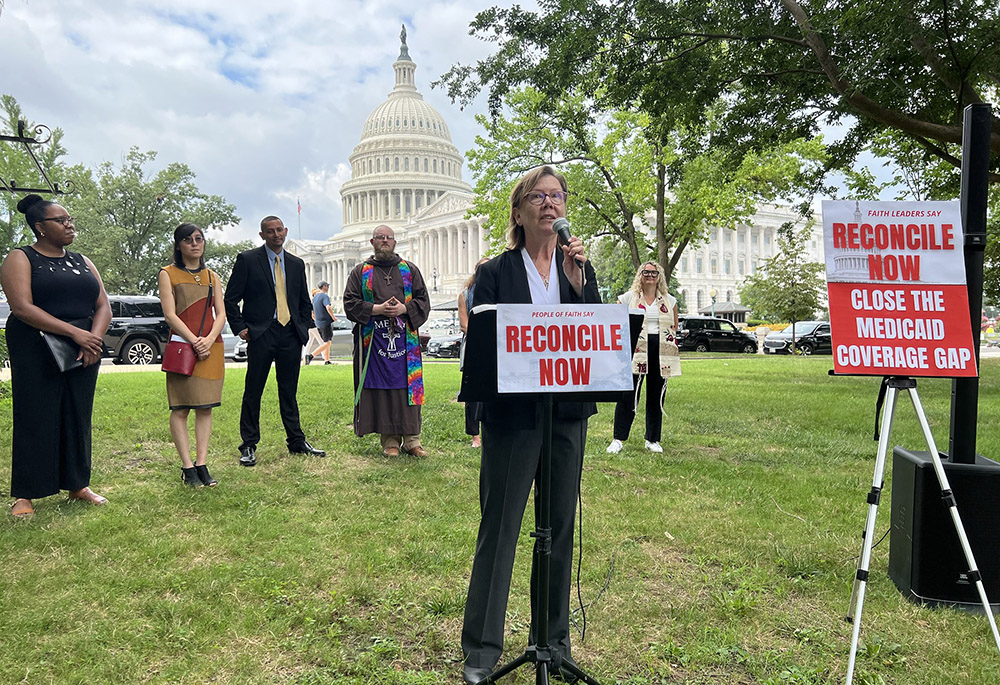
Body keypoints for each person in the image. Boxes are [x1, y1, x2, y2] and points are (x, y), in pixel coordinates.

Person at [460, 166, 598, 685]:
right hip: (514, 419)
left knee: (559, 527)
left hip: (566, 415)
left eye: (556, 196)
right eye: (537, 197)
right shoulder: (496, 272)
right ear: (518, 212)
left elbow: (595, 336)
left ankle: (554, 640)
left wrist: (581, 284)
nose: (548, 204)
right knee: (501, 527)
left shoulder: (577, 269)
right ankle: (481, 649)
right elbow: (486, 345)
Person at [1, 195, 112, 517]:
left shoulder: (82, 260)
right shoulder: (21, 258)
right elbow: (22, 307)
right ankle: (25, 494)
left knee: (78, 415)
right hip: (36, 344)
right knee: (36, 414)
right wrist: (75, 333)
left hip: (83, 347)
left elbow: (102, 303)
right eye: (60, 220)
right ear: (40, 227)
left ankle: (78, 485)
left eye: (69, 219)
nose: (69, 225)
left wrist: (93, 339)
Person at [224, 215, 325, 467]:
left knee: (288, 390)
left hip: (290, 333)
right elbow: (230, 299)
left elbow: (303, 299)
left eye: (279, 230)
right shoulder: (247, 260)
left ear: (286, 231)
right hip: (262, 333)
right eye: (270, 231)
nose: (276, 235)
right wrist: (241, 328)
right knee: (253, 390)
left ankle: (296, 441)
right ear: (262, 235)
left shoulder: (296, 263)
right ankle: (248, 444)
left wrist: (302, 326)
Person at [343, 225, 431, 458]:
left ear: (395, 242)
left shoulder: (409, 270)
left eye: (388, 238)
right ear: (372, 242)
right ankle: (389, 440)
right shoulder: (361, 272)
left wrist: (404, 308)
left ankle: (412, 440)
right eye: (380, 238)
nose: (384, 241)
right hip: (373, 344)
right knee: (382, 389)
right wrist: (376, 309)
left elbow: (423, 300)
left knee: (407, 388)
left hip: (406, 344)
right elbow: (349, 303)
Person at [158, 223, 226, 487]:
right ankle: (187, 467)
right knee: (181, 407)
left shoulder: (212, 276)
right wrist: (194, 340)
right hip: (183, 347)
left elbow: (220, 314)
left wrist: (207, 341)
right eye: (188, 240)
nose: (195, 244)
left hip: (211, 347)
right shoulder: (168, 273)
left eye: (199, 239)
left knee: (205, 407)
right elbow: (170, 314)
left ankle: (202, 463)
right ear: (179, 245)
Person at [607, 261, 681, 454]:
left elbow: (674, 325)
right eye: (645, 272)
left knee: (656, 396)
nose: (650, 276)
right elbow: (616, 321)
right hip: (635, 350)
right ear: (640, 275)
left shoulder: (669, 300)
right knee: (628, 395)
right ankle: (618, 438)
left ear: (659, 276)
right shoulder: (628, 298)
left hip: (660, 351)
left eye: (653, 273)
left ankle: (653, 439)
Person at [458, 258, 489, 448]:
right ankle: (475, 436)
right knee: (473, 394)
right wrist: (484, 338)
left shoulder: (501, 290)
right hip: (474, 346)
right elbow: (464, 324)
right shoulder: (465, 294)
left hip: (496, 346)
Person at [310, 280, 337, 365]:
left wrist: (315, 319)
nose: (328, 288)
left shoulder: (315, 298)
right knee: (328, 342)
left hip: (318, 323)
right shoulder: (324, 296)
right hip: (325, 322)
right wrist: (333, 317)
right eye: (327, 286)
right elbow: (328, 307)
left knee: (325, 341)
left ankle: (327, 360)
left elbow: (312, 312)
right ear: (324, 286)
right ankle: (311, 355)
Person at [303, 286, 323, 365]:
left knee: (310, 341)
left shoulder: (314, 302)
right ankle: (325, 358)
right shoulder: (314, 303)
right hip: (313, 325)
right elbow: (313, 314)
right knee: (321, 341)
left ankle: (305, 357)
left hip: (311, 325)